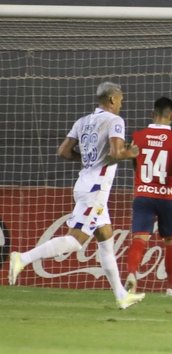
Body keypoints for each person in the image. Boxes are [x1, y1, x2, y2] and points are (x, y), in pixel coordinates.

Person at [8, 82, 146, 310]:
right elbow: (115, 152)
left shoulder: (83, 121)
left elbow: (63, 151)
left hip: (85, 183)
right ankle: (22, 258)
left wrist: (88, 161)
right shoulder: (114, 121)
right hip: (95, 190)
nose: (121, 103)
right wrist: (130, 152)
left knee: (106, 241)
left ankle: (121, 295)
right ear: (112, 99)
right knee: (76, 241)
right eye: (120, 99)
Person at [124, 96, 172, 296]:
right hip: (168, 197)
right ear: (171, 116)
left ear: (152, 114)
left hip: (143, 195)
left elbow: (133, 161)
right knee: (171, 241)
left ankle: (131, 274)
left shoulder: (137, 136)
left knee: (140, 238)